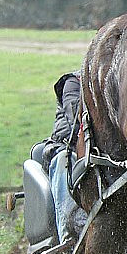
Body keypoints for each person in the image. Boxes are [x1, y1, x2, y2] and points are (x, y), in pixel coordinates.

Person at [45, 72, 85, 244]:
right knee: (64, 160)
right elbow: (75, 123)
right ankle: (70, 236)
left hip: (100, 154)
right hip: (67, 146)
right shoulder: (74, 82)